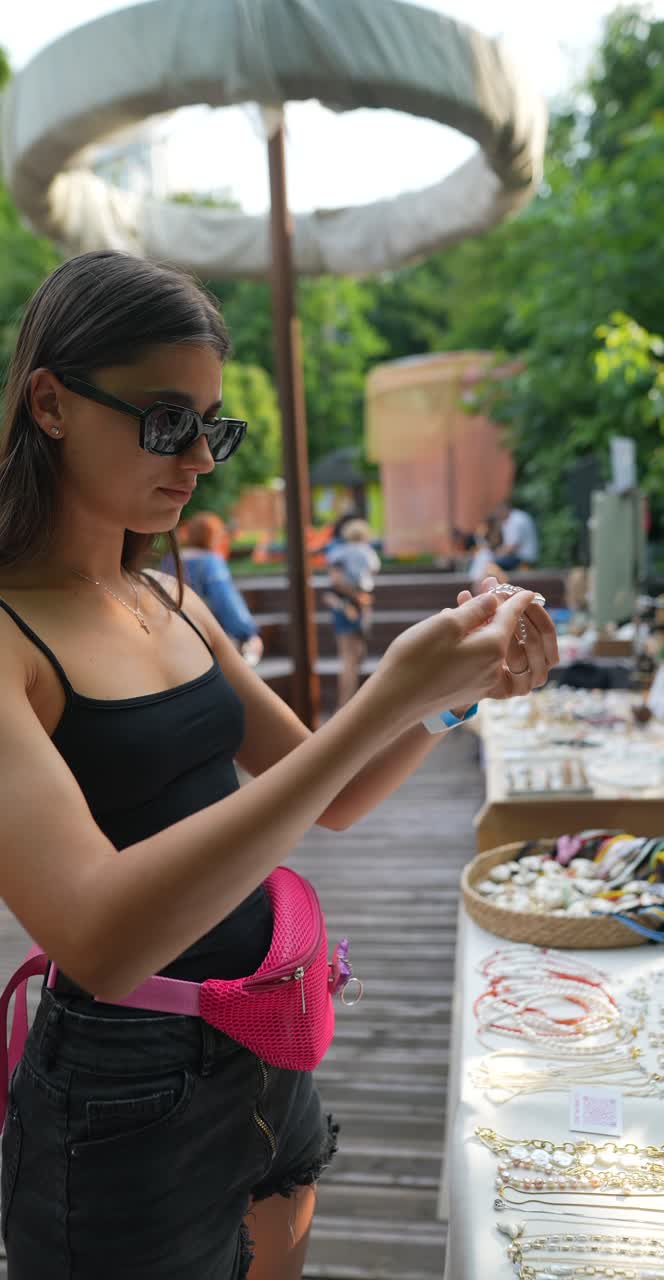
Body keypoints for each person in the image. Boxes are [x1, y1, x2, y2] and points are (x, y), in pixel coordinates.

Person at [0, 250, 557, 1280]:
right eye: (167, 421)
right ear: (51, 403)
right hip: (123, 1095)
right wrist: (389, 692)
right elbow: (101, 937)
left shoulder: (168, 598)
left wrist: (455, 691)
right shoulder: (10, 636)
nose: (200, 459)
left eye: (213, 426)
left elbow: (336, 792)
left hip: (271, 1033)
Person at [168, 511, 264, 666]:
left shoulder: (170, 561)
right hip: (208, 638)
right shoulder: (211, 562)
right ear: (214, 537)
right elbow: (226, 601)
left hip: (175, 638)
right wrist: (249, 633)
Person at [323, 518, 381, 708]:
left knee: (350, 657)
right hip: (357, 604)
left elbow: (335, 580)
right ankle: (347, 706)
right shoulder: (367, 553)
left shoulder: (338, 553)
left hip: (347, 604)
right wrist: (358, 596)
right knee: (353, 657)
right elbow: (372, 572)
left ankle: (347, 704)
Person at [493, 498, 539, 572]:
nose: (496, 514)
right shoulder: (511, 518)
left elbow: (513, 546)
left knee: (493, 565)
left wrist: (496, 554)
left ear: (503, 510)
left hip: (524, 558)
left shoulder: (516, 520)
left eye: (497, 512)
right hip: (520, 556)